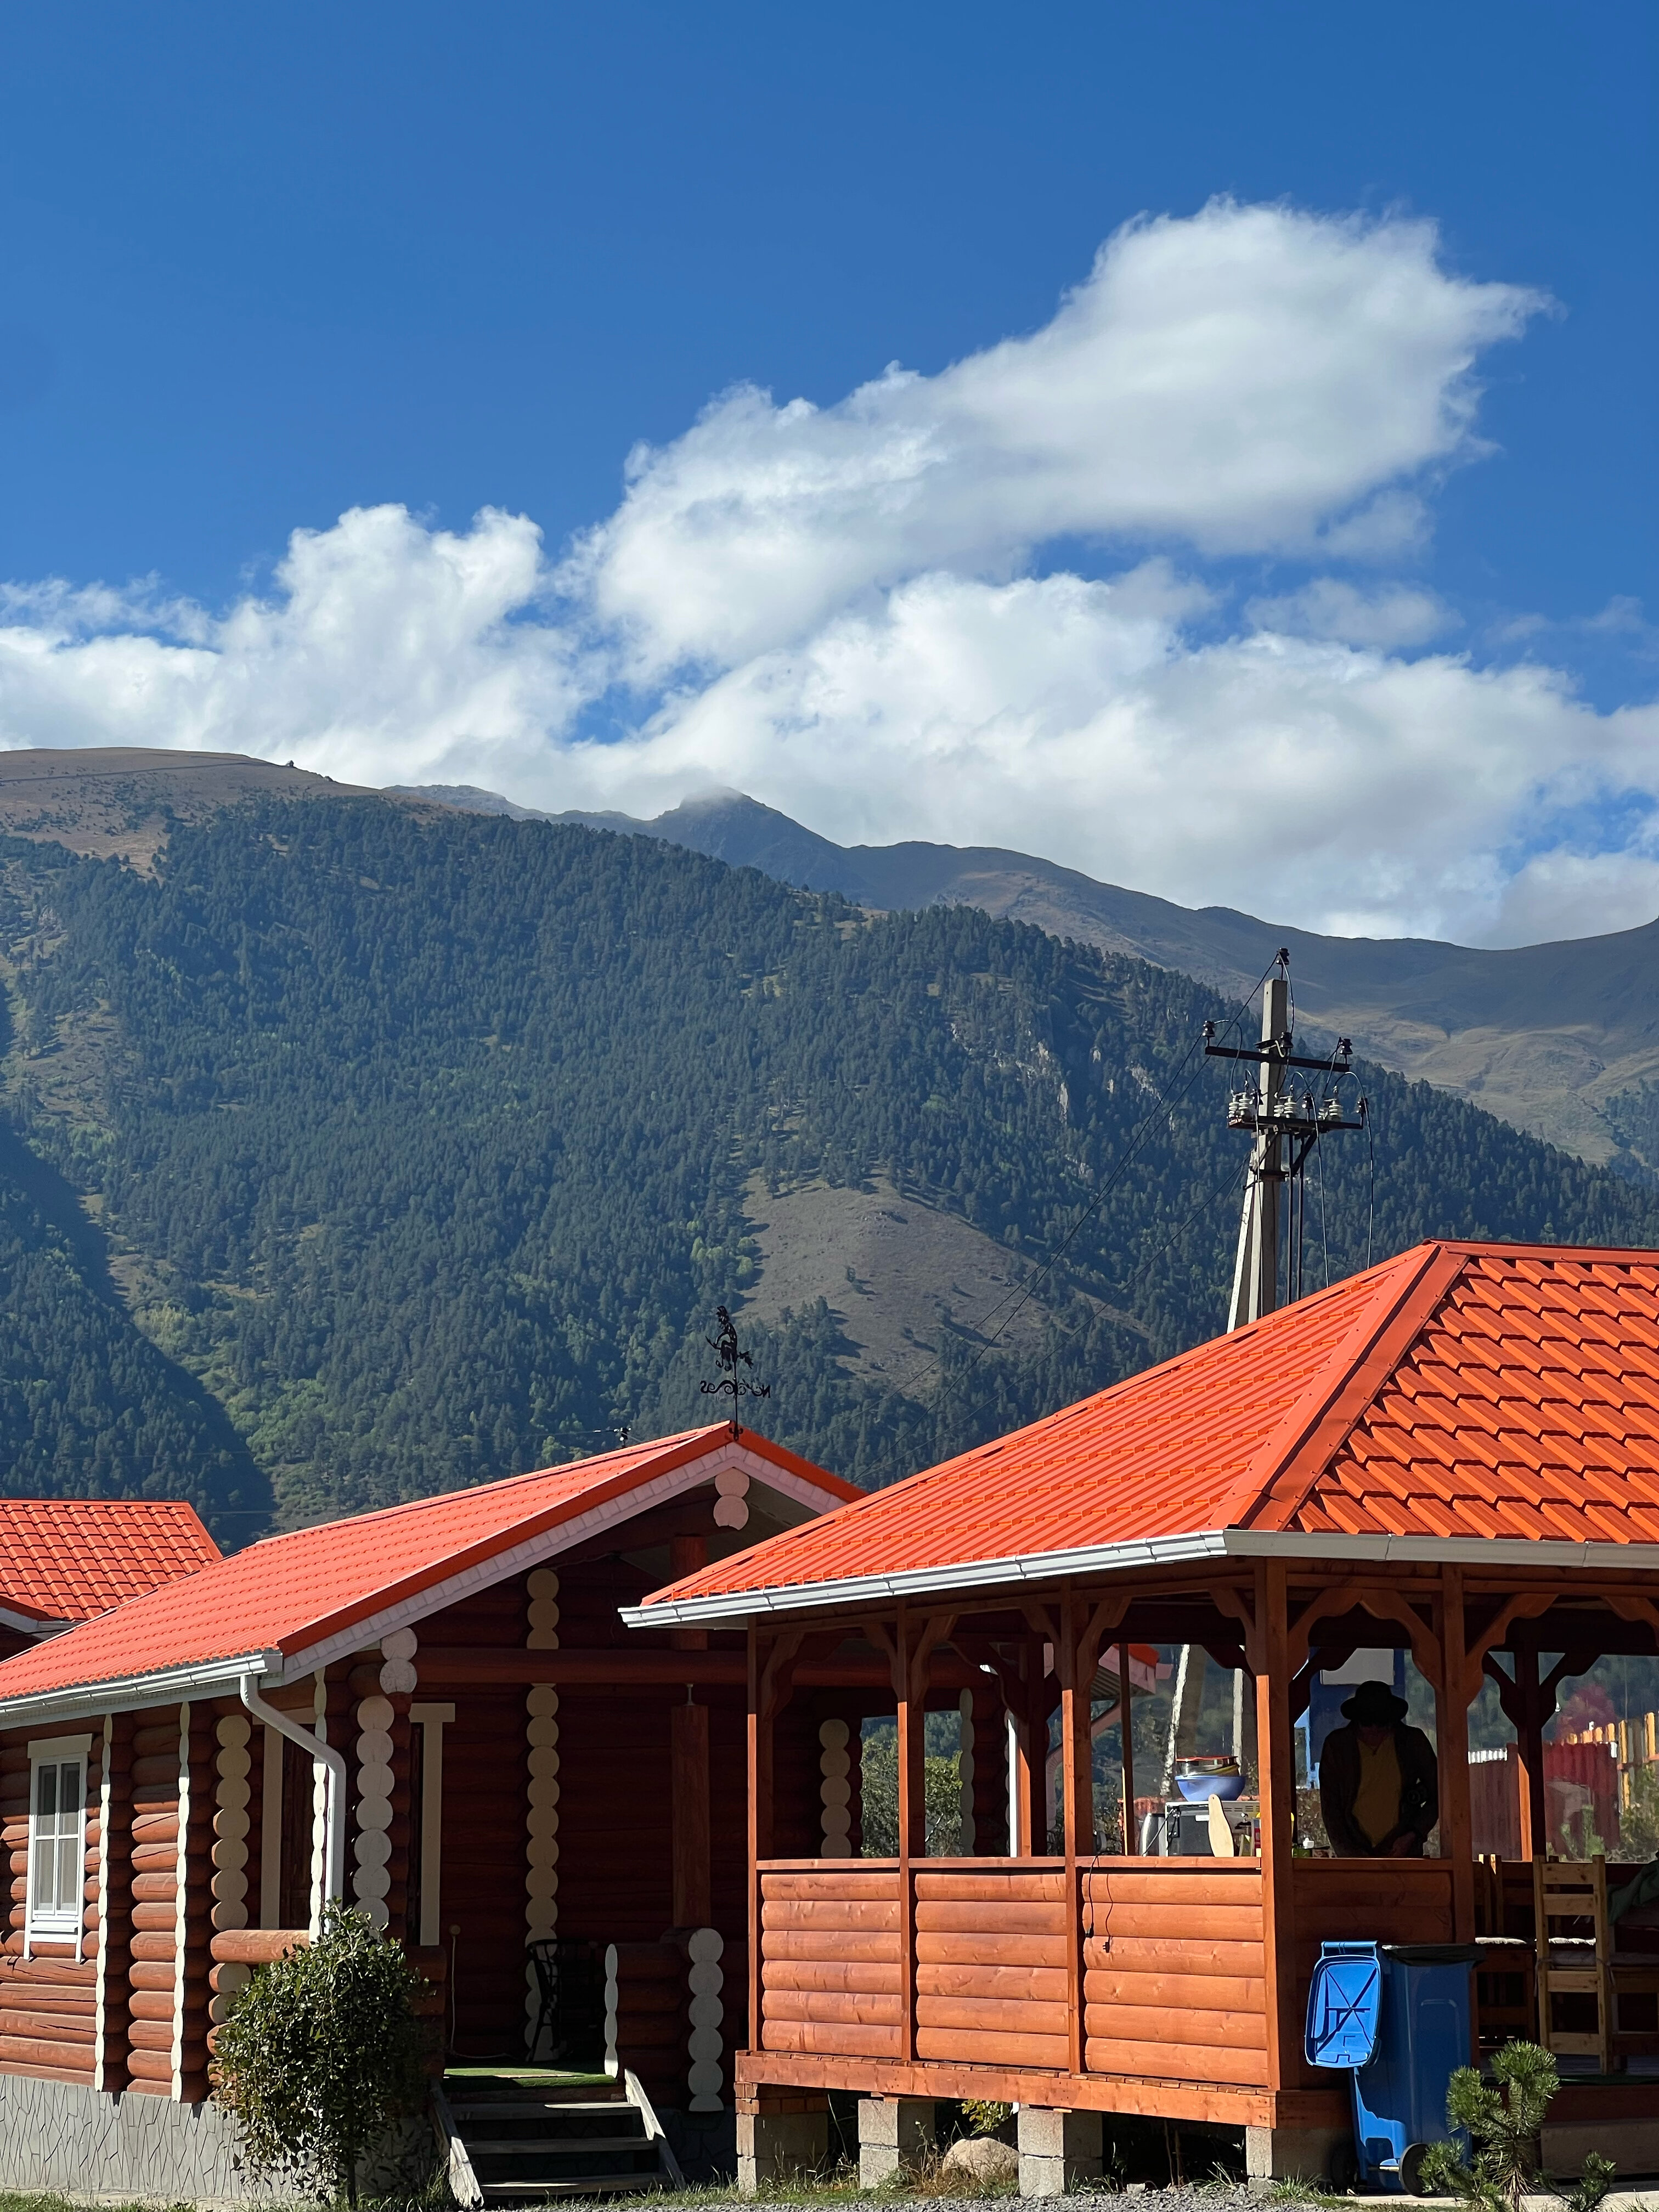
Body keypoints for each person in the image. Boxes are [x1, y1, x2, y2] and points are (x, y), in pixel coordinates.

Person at [1318, 1679, 1438, 1858]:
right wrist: (1350, 1856)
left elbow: (1440, 1794)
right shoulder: (1337, 1747)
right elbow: (1331, 1812)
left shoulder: (1413, 1743)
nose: (1374, 1729)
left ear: (1391, 1719)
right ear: (1357, 1719)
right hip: (1354, 1852)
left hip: (1404, 1854)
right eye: (1368, 1722)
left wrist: (1413, 1835)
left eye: (1381, 1722)